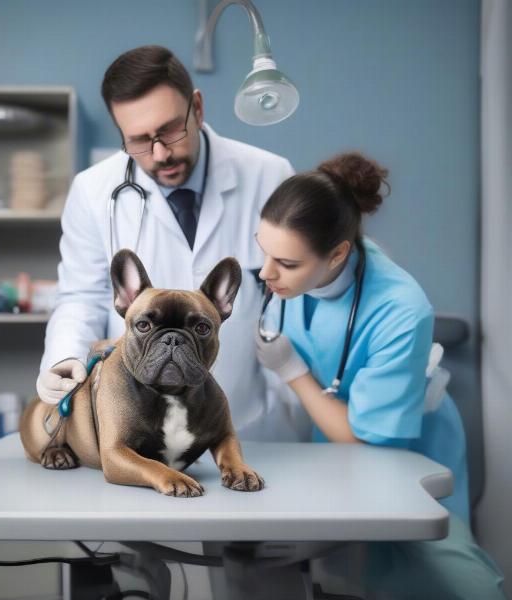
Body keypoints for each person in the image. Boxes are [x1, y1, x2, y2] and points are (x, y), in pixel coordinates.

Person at [255, 152, 507, 599]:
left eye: (287, 264)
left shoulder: (401, 309)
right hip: (330, 445)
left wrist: (292, 371)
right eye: (263, 251)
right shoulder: (294, 270)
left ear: (337, 254)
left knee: (448, 581)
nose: (268, 273)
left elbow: (368, 440)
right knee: (338, 576)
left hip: (405, 450)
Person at [35, 45, 298, 440]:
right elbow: (80, 298)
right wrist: (63, 359)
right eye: (139, 141)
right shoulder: (92, 191)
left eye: (171, 130)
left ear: (197, 107)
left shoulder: (269, 175)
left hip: (248, 426)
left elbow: (291, 305)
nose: (160, 154)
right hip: (135, 428)